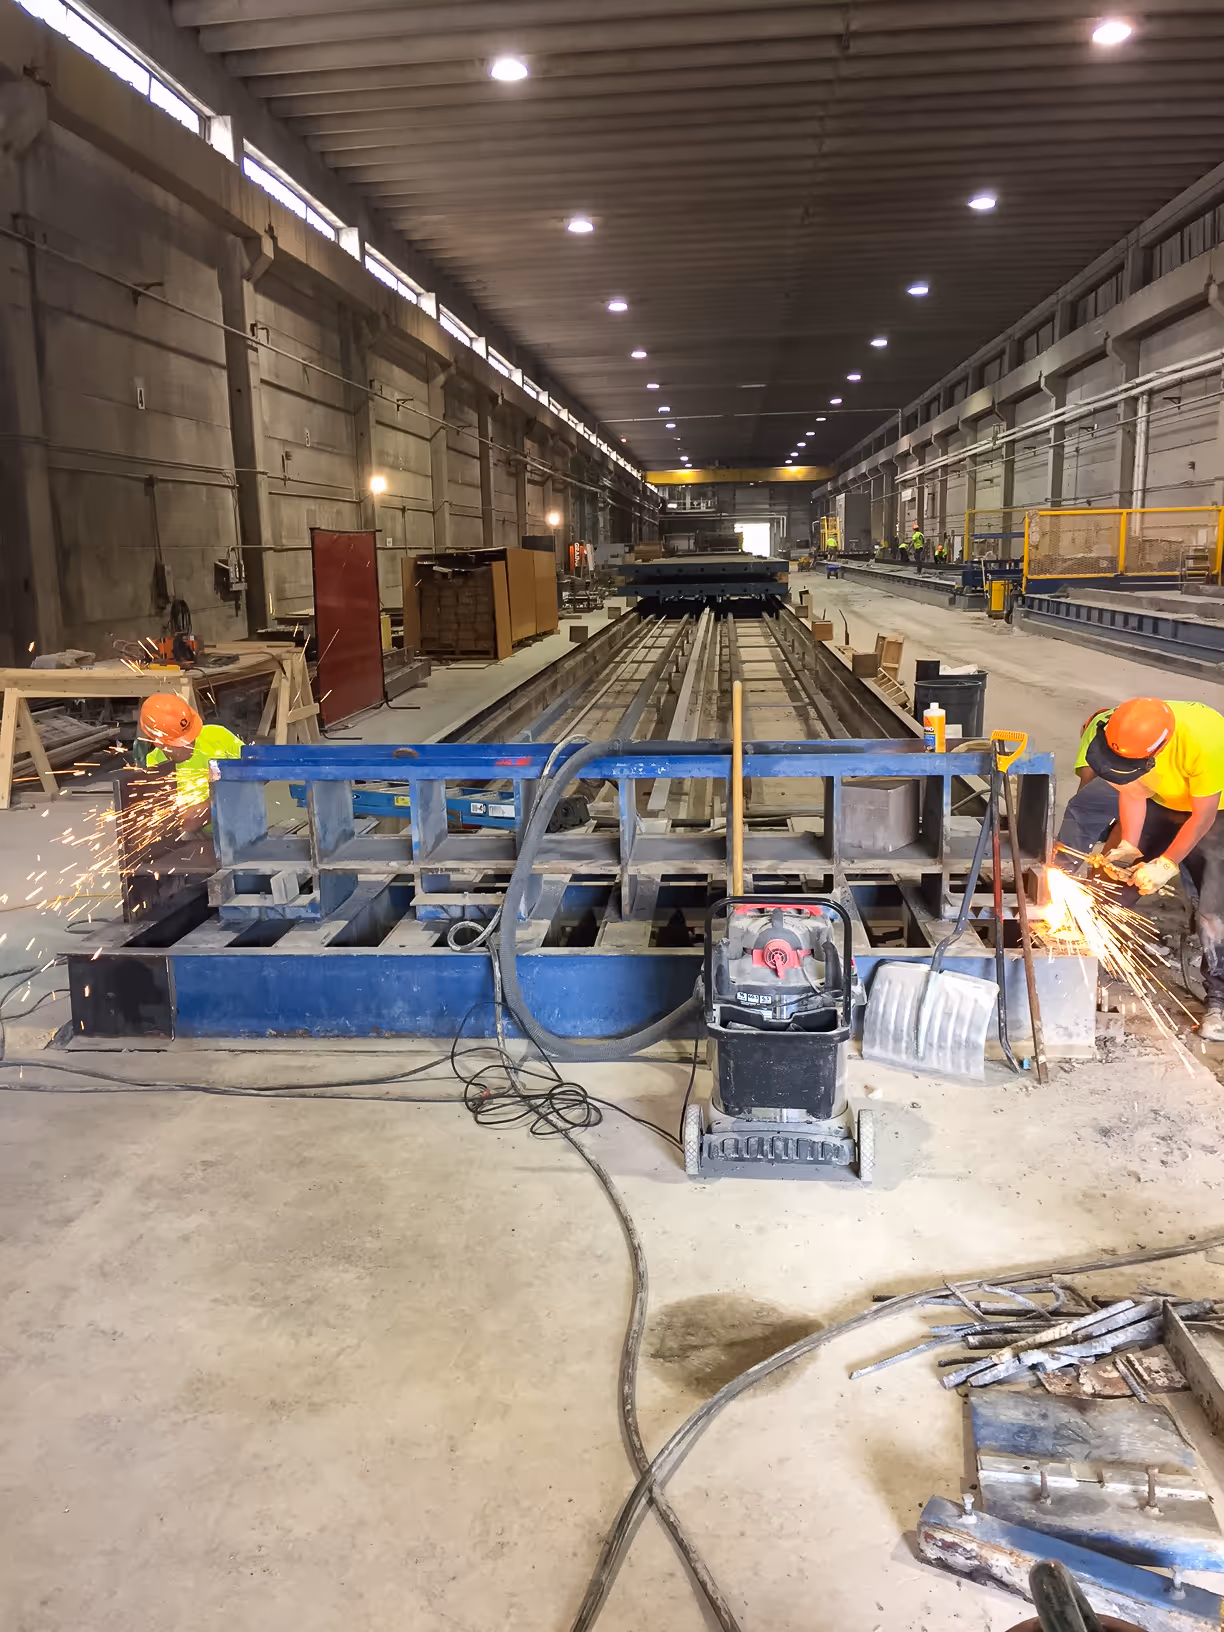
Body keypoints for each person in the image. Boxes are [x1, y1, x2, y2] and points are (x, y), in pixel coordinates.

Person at [1083, 697, 1224, 1039]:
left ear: (1157, 751)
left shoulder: (1206, 742)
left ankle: (1220, 1001)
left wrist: (1166, 863)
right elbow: (1133, 792)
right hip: (1161, 803)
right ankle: (1083, 972)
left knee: (1213, 910)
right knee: (1110, 883)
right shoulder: (1125, 728)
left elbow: (1202, 816)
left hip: (1217, 813)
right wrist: (1129, 846)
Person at [139, 694, 243, 832]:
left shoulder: (218, 736)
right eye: (181, 742)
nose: (190, 745)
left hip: (240, 830)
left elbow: (259, 772)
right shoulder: (154, 766)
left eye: (191, 737)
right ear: (159, 743)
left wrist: (210, 807)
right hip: (199, 840)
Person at [1054, 706, 1116, 859]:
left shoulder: (1096, 725)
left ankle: (1064, 868)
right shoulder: (1125, 714)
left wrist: (1076, 826)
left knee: (1084, 809)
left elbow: (1087, 787)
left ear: (1084, 728)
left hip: (1144, 765)